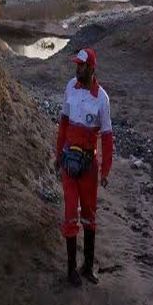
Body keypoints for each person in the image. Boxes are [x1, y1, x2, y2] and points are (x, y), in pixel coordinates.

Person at [54, 48, 114, 286]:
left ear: (92, 68)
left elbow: (107, 136)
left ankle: (87, 266)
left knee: (89, 216)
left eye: (81, 66)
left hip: (89, 166)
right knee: (70, 213)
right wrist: (58, 154)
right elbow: (63, 124)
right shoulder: (70, 87)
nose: (77, 69)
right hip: (69, 161)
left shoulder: (102, 98)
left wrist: (106, 170)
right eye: (76, 65)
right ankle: (71, 270)